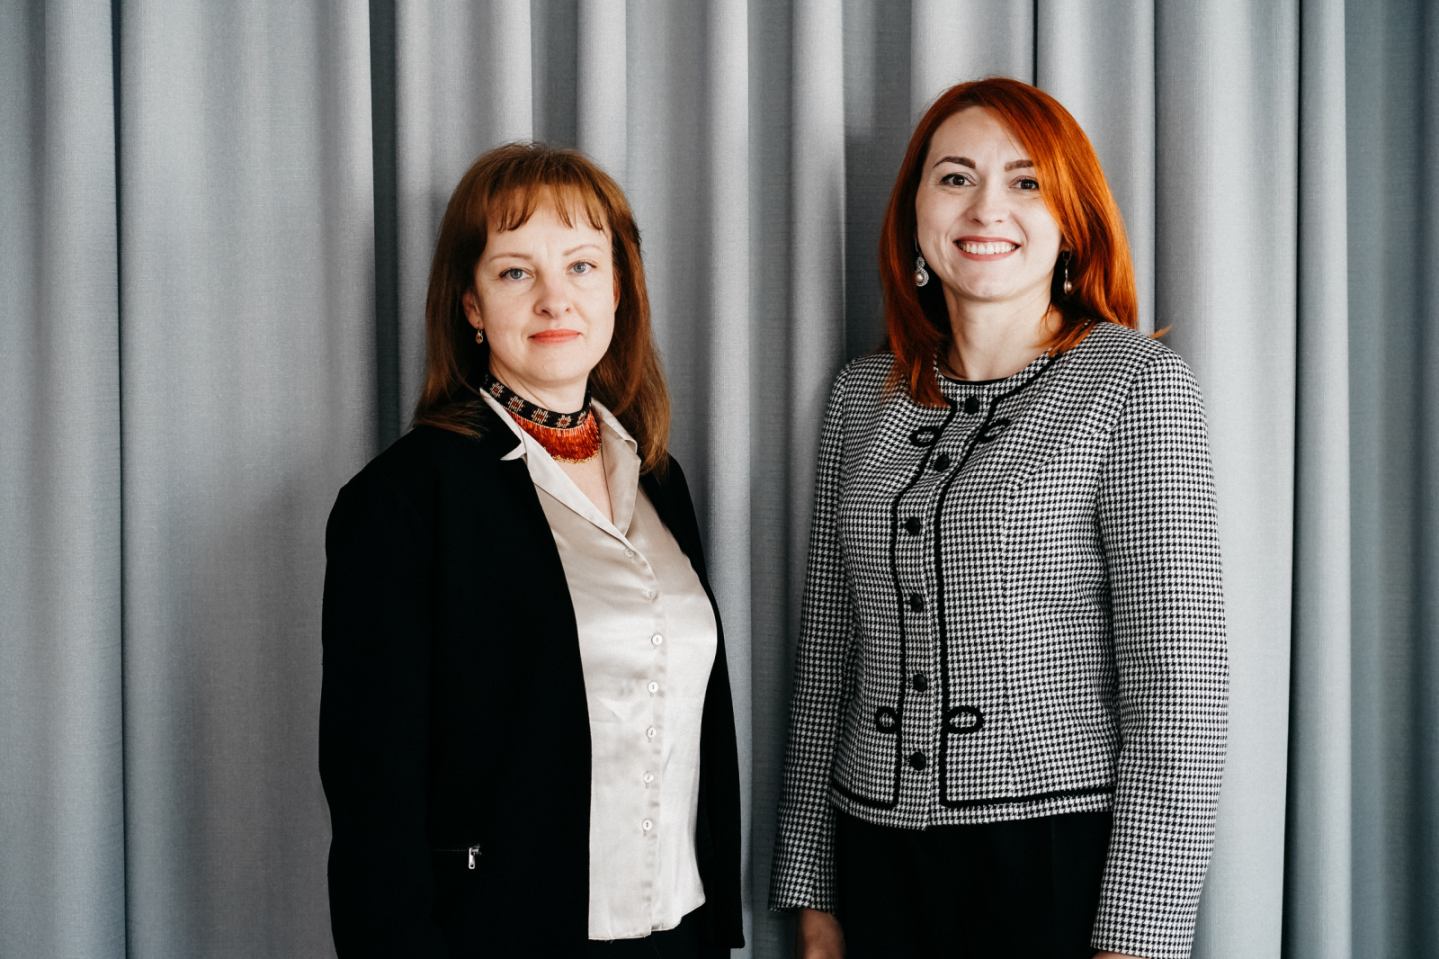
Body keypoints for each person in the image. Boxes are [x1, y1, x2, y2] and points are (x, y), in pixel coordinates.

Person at [770, 77, 1227, 959]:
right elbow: (827, 653)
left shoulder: (1134, 385)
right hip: (874, 856)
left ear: (1070, 223)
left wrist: (1137, 933)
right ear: (913, 216)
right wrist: (811, 884)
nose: (986, 207)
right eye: (955, 177)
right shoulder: (859, 397)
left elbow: (1179, 687)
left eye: (1025, 182)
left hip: (1053, 865)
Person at [320, 143, 743, 958]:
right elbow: (374, 794)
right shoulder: (402, 499)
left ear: (617, 290)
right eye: (516, 271)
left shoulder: (658, 477)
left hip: (679, 931)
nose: (556, 297)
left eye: (582, 265)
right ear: (470, 304)